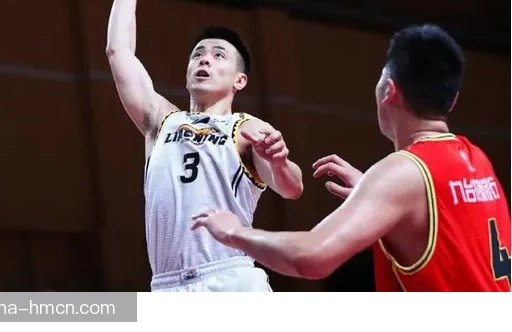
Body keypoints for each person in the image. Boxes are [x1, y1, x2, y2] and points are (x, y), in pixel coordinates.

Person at [192, 24, 511, 292]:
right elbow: (448, 242)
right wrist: (378, 198)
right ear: (452, 100)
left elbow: (310, 258)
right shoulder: (475, 158)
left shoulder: (402, 173)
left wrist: (235, 233)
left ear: (389, 91)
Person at [105, 0, 304, 292]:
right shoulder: (161, 120)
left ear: (239, 80)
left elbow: (292, 189)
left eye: (218, 55)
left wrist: (279, 163)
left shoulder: (246, 127)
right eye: (198, 54)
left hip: (228, 276)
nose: (205, 60)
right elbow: (119, 53)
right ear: (187, 74)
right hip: (167, 286)